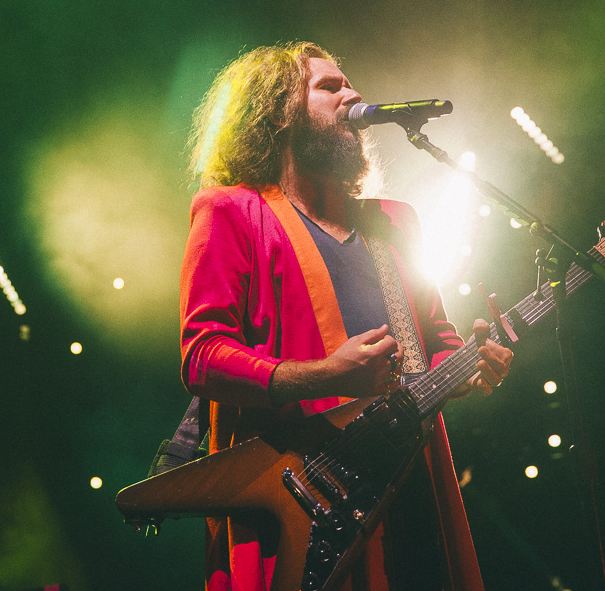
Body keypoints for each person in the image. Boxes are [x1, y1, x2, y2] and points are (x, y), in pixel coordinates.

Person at [180, 41, 514, 591]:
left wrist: (470, 366)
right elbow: (202, 356)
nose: (353, 94)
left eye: (350, 82)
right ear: (277, 112)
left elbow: (438, 343)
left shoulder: (395, 221)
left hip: (410, 488)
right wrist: (328, 375)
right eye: (329, 86)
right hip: (306, 500)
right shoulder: (231, 210)